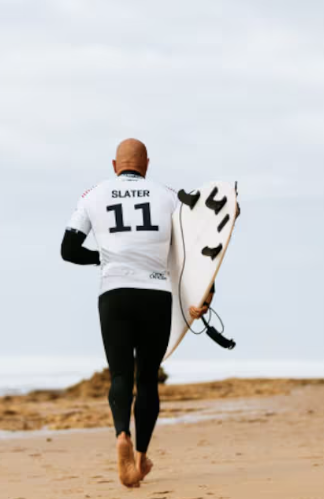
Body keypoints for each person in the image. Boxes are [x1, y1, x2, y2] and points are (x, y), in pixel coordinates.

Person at [60, 138, 211, 488]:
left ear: (115, 165)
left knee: (120, 376)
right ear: (146, 165)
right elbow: (197, 253)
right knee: (147, 378)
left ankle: (120, 436)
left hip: (115, 293)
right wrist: (205, 295)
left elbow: (68, 250)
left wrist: (103, 257)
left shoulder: (93, 195)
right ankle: (141, 457)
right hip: (155, 294)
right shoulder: (168, 196)